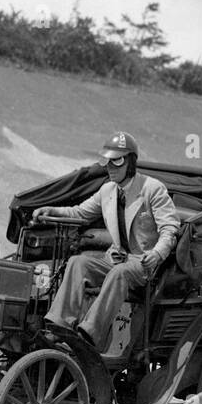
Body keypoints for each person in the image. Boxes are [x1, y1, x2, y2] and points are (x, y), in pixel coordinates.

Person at [35, 132, 180, 352]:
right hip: (116, 258)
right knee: (78, 262)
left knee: (119, 273)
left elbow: (170, 229)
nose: (110, 167)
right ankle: (58, 325)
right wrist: (53, 209)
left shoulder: (152, 189)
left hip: (143, 263)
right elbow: (80, 213)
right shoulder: (107, 190)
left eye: (117, 161)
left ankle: (89, 334)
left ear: (130, 162)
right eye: (107, 161)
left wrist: (157, 254)